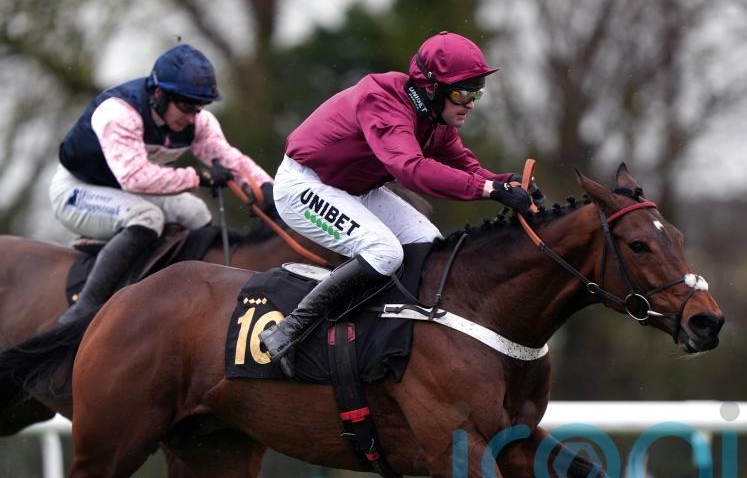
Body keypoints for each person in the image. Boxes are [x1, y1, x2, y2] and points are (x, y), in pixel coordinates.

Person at [259, 31, 532, 376]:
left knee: (427, 242)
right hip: (304, 185)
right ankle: (289, 330)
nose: (471, 104)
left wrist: (505, 182)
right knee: (385, 252)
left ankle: (390, 328)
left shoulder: (436, 118)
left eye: (477, 93)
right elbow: (411, 170)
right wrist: (490, 190)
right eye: (463, 93)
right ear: (431, 87)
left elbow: (469, 168)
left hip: (355, 188)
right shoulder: (383, 100)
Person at [51, 44, 273, 326]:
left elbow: (229, 159)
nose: (193, 116)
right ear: (158, 94)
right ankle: (83, 309)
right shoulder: (119, 113)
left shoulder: (196, 122)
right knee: (148, 217)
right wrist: (199, 177)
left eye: (198, 107)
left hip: (125, 193)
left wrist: (266, 189)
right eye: (185, 106)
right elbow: (135, 177)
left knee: (195, 212)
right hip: (76, 190)